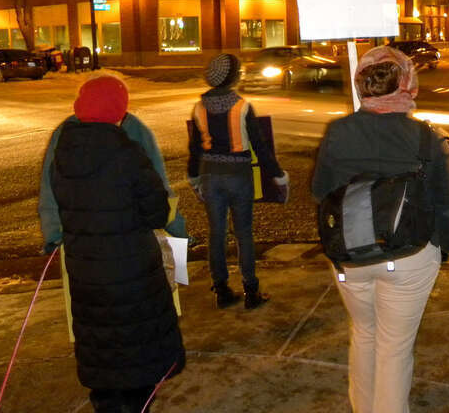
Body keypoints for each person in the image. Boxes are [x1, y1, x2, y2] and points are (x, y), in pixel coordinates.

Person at [312, 46, 449, 413]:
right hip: (409, 255)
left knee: (363, 335)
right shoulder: (423, 137)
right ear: (405, 84)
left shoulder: (337, 132)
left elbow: (319, 190)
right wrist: (443, 248)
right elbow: (445, 201)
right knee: (394, 347)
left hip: (350, 255)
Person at [49, 75, 185, 412]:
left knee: (99, 338)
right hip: (131, 267)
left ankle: (105, 403)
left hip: (85, 266)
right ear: (117, 113)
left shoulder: (62, 153)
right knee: (136, 341)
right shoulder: (127, 152)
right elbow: (156, 211)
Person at [188, 53, 288, 309]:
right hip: (239, 175)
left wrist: (194, 178)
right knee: (243, 233)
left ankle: (221, 289)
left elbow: (195, 148)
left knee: (216, 233)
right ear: (232, 78)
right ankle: (251, 291)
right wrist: (277, 175)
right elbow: (260, 146)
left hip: (210, 174)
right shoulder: (243, 106)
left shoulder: (199, 107)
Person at [39, 95, 188, 253]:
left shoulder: (64, 135)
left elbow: (49, 194)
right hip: (131, 249)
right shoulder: (133, 133)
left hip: (81, 253)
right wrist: (178, 233)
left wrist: (54, 237)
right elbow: (158, 195)